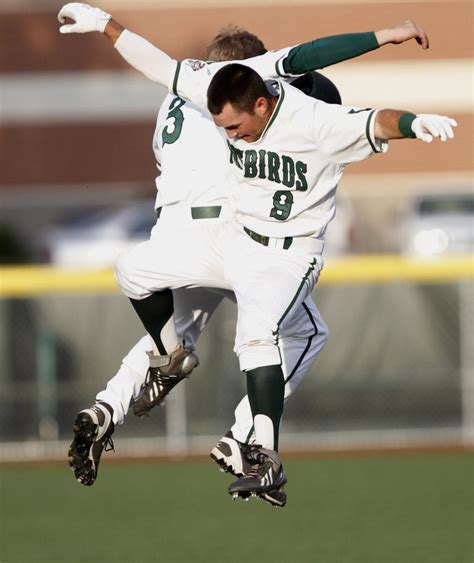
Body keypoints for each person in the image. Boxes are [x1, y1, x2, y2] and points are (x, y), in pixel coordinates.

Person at [58, 3, 451, 504]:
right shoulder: (249, 87)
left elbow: (161, 65)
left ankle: (115, 404)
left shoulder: (202, 91)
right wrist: (386, 39)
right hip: (232, 230)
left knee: (214, 332)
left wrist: (105, 25)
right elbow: (310, 58)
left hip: (194, 229)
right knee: (297, 334)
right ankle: (241, 434)